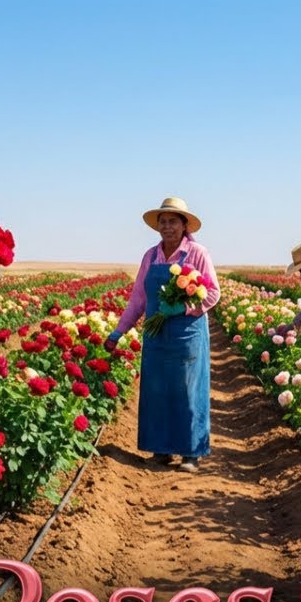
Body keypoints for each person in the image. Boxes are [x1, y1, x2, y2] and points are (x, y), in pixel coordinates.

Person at [106, 197, 220, 473]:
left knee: (187, 390)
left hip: (187, 334)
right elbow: (138, 300)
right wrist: (117, 332)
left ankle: (190, 453)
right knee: (157, 390)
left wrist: (181, 307)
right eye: (163, 222)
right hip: (156, 335)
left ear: (184, 225)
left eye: (173, 221)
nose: (167, 227)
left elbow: (213, 293)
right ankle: (161, 450)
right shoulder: (150, 256)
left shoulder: (197, 253)